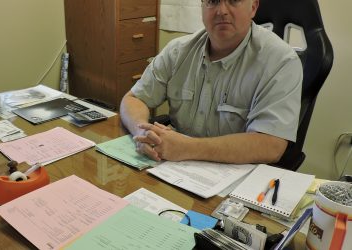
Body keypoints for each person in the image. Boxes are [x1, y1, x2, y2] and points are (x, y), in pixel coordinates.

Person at [120, 0, 302, 165]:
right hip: (174, 170)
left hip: (235, 183)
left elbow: (271, 146)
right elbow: (134, 99)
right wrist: (141, 132)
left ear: (253, 7)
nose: (221, 10)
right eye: (212, 1)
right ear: (202, 7)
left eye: (233, 1)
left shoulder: (281, 61)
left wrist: (187, 148)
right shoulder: (177, 51)